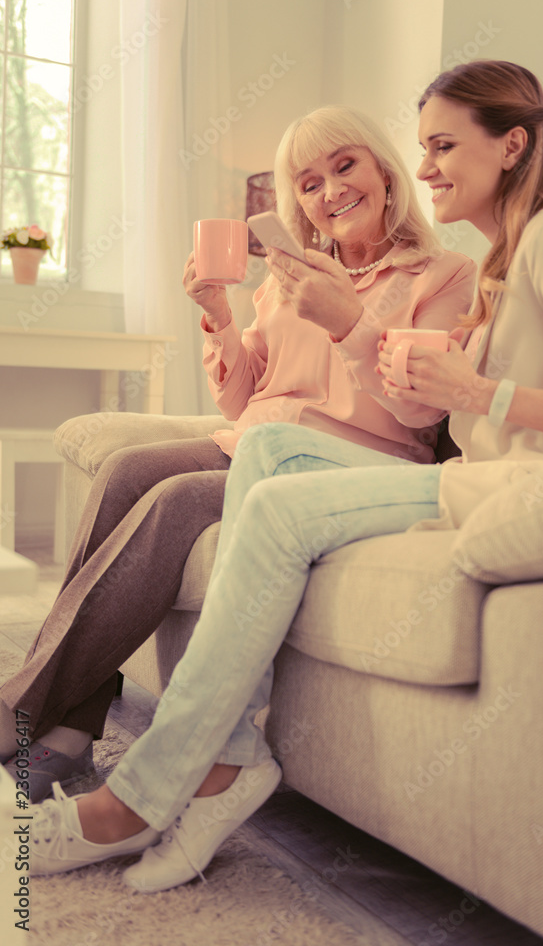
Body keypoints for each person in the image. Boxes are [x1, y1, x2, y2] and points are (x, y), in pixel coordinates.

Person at [27, 60, 543, 891]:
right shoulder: (512, 255)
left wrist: (469, 388)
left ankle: (144, 792)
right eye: (424, 147)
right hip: (477, 477)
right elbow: (452, 418)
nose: (428, 164)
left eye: (442, 145)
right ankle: (218, 759)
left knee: (242, 486)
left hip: (508, 488)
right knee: (256, 456)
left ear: (512, 145)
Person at [0, 106, 475, 799]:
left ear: (383, 171)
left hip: (340, 464)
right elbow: (241, 397)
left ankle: (22, 714)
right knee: (127, 469)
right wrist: (220, 313)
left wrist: (350, 323)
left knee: (173, 502)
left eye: (345, 166)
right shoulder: (291, 273)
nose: (330, 191)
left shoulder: (441, 273)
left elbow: (424, 410)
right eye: (309, 183)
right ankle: (71, 728)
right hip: (252, 440)